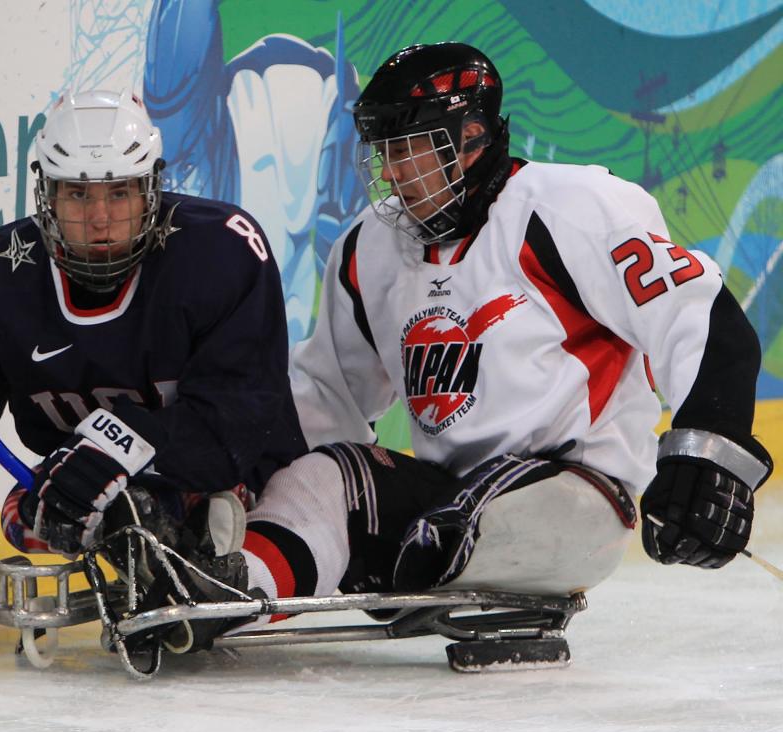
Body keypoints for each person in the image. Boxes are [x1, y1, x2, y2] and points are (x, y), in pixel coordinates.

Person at [132, 40, 773, 650]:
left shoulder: (570, 207)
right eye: (382, 149)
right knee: (325, 478)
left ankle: (419, 562)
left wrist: (709, 455)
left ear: (470, 140)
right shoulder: (367, 249)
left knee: (456, 524)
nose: (390, 171)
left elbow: (700, 318)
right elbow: (326, 397)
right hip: (449, 502)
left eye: (408, 147)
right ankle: (227, 595)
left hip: (578, 497)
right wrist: (233, 482)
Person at [0, 89, 307, 644]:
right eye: (77, 195)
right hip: (89, 496)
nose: (100, 220)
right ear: (46, 194)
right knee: (27, 510)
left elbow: (235, 418)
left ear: (151, 189)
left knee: (173, 500)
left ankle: (200, 542)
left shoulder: (221, 251)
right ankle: (140, 532)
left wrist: (113, 445)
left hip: (240, 482)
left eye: (120, 193)